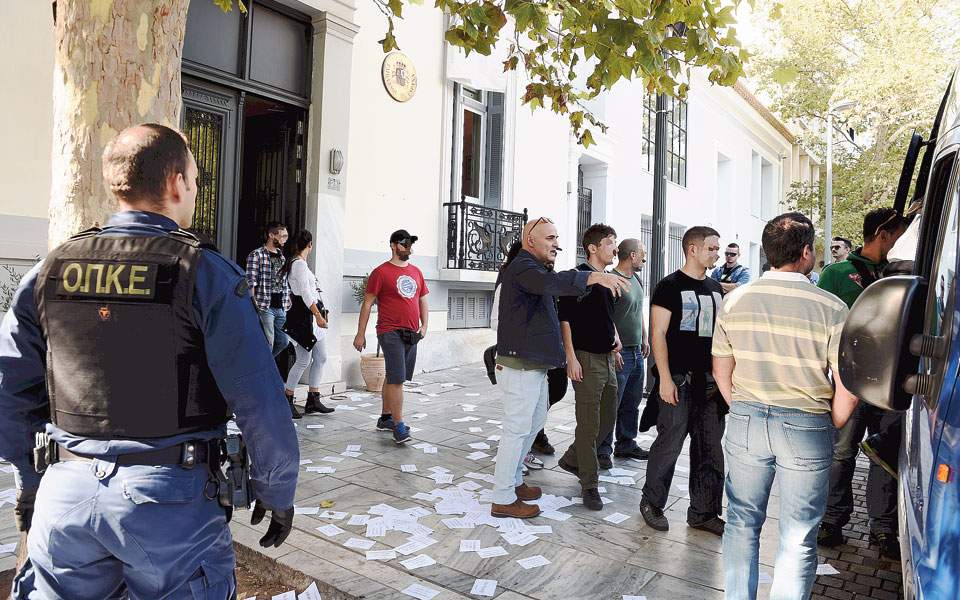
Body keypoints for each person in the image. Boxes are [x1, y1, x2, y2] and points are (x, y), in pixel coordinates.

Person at [0, 124, 299, 599]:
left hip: (66, 495)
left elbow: (10, 396)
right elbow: (259, 400)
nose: (195, 191)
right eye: (197, 181)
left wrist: (33, 480)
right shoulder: (205, 274)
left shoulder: (49, 271)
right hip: (170, 508)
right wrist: (276, 490)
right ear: (177, 182)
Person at [713, 212, 858, 600]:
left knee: (741, 522)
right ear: (806, 252)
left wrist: (742, 407)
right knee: (798, 535)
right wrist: (834, 421)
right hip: (807, 423)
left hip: (745, 417)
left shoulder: (735, 300)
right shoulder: (831, 308)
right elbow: (848, 383)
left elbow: (721, 369)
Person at [490, 217, 630, 519]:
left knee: (533, 423)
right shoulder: (524, 267)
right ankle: (502, 496)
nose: (556, 244)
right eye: (550, 238)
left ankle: (514, 482)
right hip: (519, 366)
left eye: (557, 238)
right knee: (516, 430)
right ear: (531, 241)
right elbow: (550, 284)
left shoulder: (537, 268)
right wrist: (591, 278)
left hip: (534, 365)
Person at [816, 207, 908, 558]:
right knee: (841, 453)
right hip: (850, 382)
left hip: (892, 385)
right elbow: (820, 324)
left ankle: (883, 530)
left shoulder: (903, 274)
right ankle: (832, 520)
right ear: (884, 233)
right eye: (899, 233)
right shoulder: (837, 274)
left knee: (884, 456)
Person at [639, 226, 726, 536]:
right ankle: (652, 503)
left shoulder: (716, 288)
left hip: (711, 385)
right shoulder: (668, 286)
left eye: (718, 249)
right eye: (712, 248)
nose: (717, 253)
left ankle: (704, 512)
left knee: (710, 449)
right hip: (677, 380)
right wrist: (664, 378)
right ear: (692, 249)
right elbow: (658, 334)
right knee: (669, 446)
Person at [556, 224, 623, 511]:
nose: (615, 250)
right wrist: (570, 357)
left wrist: (615, 340)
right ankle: (589, 484)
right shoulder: (577, 278)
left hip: (608, 358)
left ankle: (573, 457)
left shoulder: (608, 280)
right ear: (593, 248)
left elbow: (606, 316)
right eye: (610, 244)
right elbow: (565, 320)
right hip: (585, 358)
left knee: (608, 417)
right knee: (589, 423)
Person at [486, 241, 566, 474]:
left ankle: (517, 471)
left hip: (541, 360)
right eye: (548, 246)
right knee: (517, 425)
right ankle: (506, 489)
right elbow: (497, 323)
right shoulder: (513, 282)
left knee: (537, 415)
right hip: (519, 362)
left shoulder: (545, 282)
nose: (552, 253)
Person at [353, 229, 428, 444]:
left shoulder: (416, 272)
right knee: (397, 379)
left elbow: (422, 299)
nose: (409, 248)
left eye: (411, 244)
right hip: (389, 331)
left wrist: (425, 326)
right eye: (405, 244)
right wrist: (360, 334)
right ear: (394, 245)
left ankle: (386, 417)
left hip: (412, 333)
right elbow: (367, 303)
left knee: (393, 376)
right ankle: (399, 425)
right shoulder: (381, 272)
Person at [597, 238, 650, 465]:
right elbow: (606, 318)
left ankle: (626, 444)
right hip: (620, 354)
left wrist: (645, 338)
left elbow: (638, 310)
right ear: (632, 255)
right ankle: (602, 450)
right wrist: (613, 348)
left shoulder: (636, 279)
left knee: (632, 402)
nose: (645, 258)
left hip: (637, 352)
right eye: (642, 253)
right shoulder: (611, 280)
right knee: (611, 405)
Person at [281, 230, 334, 417]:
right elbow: (305, 294)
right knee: (303, 360)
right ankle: (287, 398)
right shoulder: (299, 265)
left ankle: (313, 398)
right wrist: (318, 315)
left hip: (311, 318)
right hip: (304, 319)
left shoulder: (300, 264)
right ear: (309, 244)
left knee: (321, 357)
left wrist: (320, 314)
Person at [246, 221, 291, 357]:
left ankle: (264, 366)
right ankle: (264, 371)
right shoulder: (257, 255)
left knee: (284, 341)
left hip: (281, 307)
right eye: (282, 236)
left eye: (286, 236)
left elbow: (284, 282)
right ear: (272, 235)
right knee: (269, 342)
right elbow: (250, 282)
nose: (285, 240)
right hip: (265, 307)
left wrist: (287, 300)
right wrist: (254, 305)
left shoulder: (282, 257)